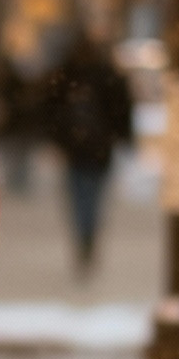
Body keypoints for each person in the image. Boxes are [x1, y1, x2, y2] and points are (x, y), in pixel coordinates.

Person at [40, 30, 134, 272]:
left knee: (79, 196)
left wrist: (56, 139)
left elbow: (49, 109)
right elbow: (122, 109)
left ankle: (84, 234)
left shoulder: (66, 74)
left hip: (76, 149)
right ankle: (88, 234)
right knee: (93, 197)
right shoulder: (107, 74)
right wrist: (124, 137)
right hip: (99, 149)